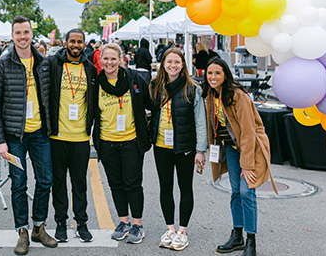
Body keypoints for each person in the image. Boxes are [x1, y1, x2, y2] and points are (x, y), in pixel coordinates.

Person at [0, 15, 57, 255]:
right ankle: (22, 232)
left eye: (26, 32)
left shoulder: (44, 63)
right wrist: (0, 139)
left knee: (46, 180)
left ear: (31, 34)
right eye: (18, 33)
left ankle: (38, 226)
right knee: (18, 184)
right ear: (12, 36)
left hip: (40, 133)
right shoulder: (3, 64)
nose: (22, 37)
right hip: (14, 137)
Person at [202, 58, 277, 256]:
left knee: (246, 191)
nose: (213, 77)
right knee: (235, 191)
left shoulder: (237, 96)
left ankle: (250, 240)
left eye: (217, 73)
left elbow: (248, 132)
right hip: (231, 148)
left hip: (249, 148)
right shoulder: (211, 95)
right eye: (210, 73)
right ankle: (237, 236)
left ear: (225, 74)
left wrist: (247, 166)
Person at [92, 43, 151, 244]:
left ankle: (137, 225)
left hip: (131, 142)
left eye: (113, 58)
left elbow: (151, 104)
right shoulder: (96, 83)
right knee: (115, 184)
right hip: (107, 142)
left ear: (121, 59)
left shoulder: (134, 79)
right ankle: (123, 222)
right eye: (105, 59)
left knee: (132, 184)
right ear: (101, 61)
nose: (109, 62)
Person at [149, 48, 207, 251]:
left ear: (183, 65)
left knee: (185, 188)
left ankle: (182, 231)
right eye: (169, 62)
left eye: (177, 62)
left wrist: (201, 150)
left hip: (185, 147)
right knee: (165, 187)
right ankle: (170, 229)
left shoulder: (192, 88)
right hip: (161, 145)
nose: (173, 65)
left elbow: (201, 121)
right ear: (163, 63)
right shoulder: (155, 86)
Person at [45, 28, 97, 243]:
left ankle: (82, 222)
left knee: (79, 183)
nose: (76, 45)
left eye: (80, 42)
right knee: (58, 183)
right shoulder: (53, 65)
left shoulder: (90, 69)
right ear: (65, 43)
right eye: (72, 41)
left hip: (81, 138)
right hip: (57, 137)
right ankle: (60, 223)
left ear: (84, 44)